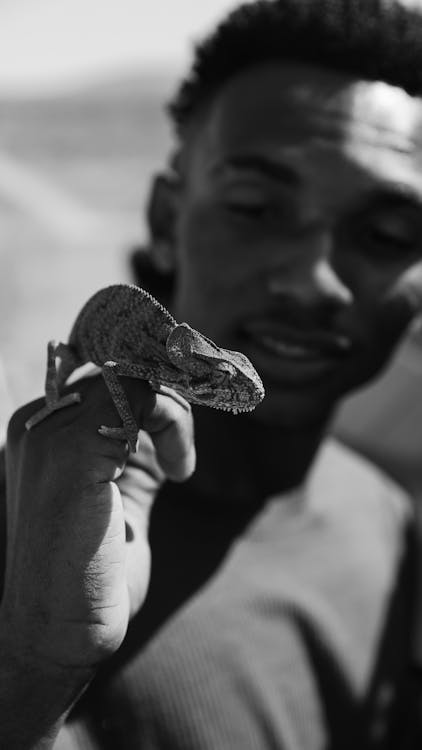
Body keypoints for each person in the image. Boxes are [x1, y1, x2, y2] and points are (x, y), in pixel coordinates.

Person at [2, 0, 422, 746]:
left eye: (388, 234)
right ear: (166, 223)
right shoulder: (38, 526)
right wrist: (31, 666)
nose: (313, 282)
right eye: (256, 207)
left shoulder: (390, 524)